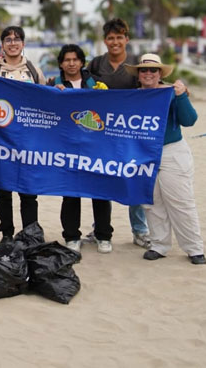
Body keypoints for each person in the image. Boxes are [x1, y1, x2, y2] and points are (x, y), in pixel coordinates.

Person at [125, 54, 206, 265]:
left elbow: (189, 120)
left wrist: (181, 96)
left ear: (160, 73)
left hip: (171, 150)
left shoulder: (171, 92)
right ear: (138, 74)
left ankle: (194, 248)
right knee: (151, 203)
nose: (148, 73)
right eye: (143, 70)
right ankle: (159, 245)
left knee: (181, 201)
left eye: (153, 70)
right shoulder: (132, 96)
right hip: (143, 153)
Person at [0, 26, 44, 251]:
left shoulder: (33, 70)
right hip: (0, 139)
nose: (13, 43)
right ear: (2, 44)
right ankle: (7, 234)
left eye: (17, 39)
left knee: (29, 190)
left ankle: (31, 233)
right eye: (8, 39)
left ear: (23, 43)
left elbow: (46, 101)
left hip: (28, 140)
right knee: (2, 190)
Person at [86, 18, 151, 249]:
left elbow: (153, 86)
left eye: (119, 37)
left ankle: (140, 231)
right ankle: (100, 228)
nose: (115, 42)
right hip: (101, 135)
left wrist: (176, 90)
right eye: (111, 38)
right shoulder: (96, 64)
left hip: (130, 134)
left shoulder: (137, 63)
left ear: (127, 39)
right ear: (105, 41)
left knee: (133, 180)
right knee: (102, 182)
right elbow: (80, 87)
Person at [49, 44, 114, 255]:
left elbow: (110, 109)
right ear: (61, 64)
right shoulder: (53, 84)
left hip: (96, 147)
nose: (71, 63)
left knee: (100, 192)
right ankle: (71, 236)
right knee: (70, 193)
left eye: (75, 59)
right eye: (67, 60)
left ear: (82, 62)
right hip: (66, 148)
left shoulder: (96, 84)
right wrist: (53, 95)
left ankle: (103, 236)